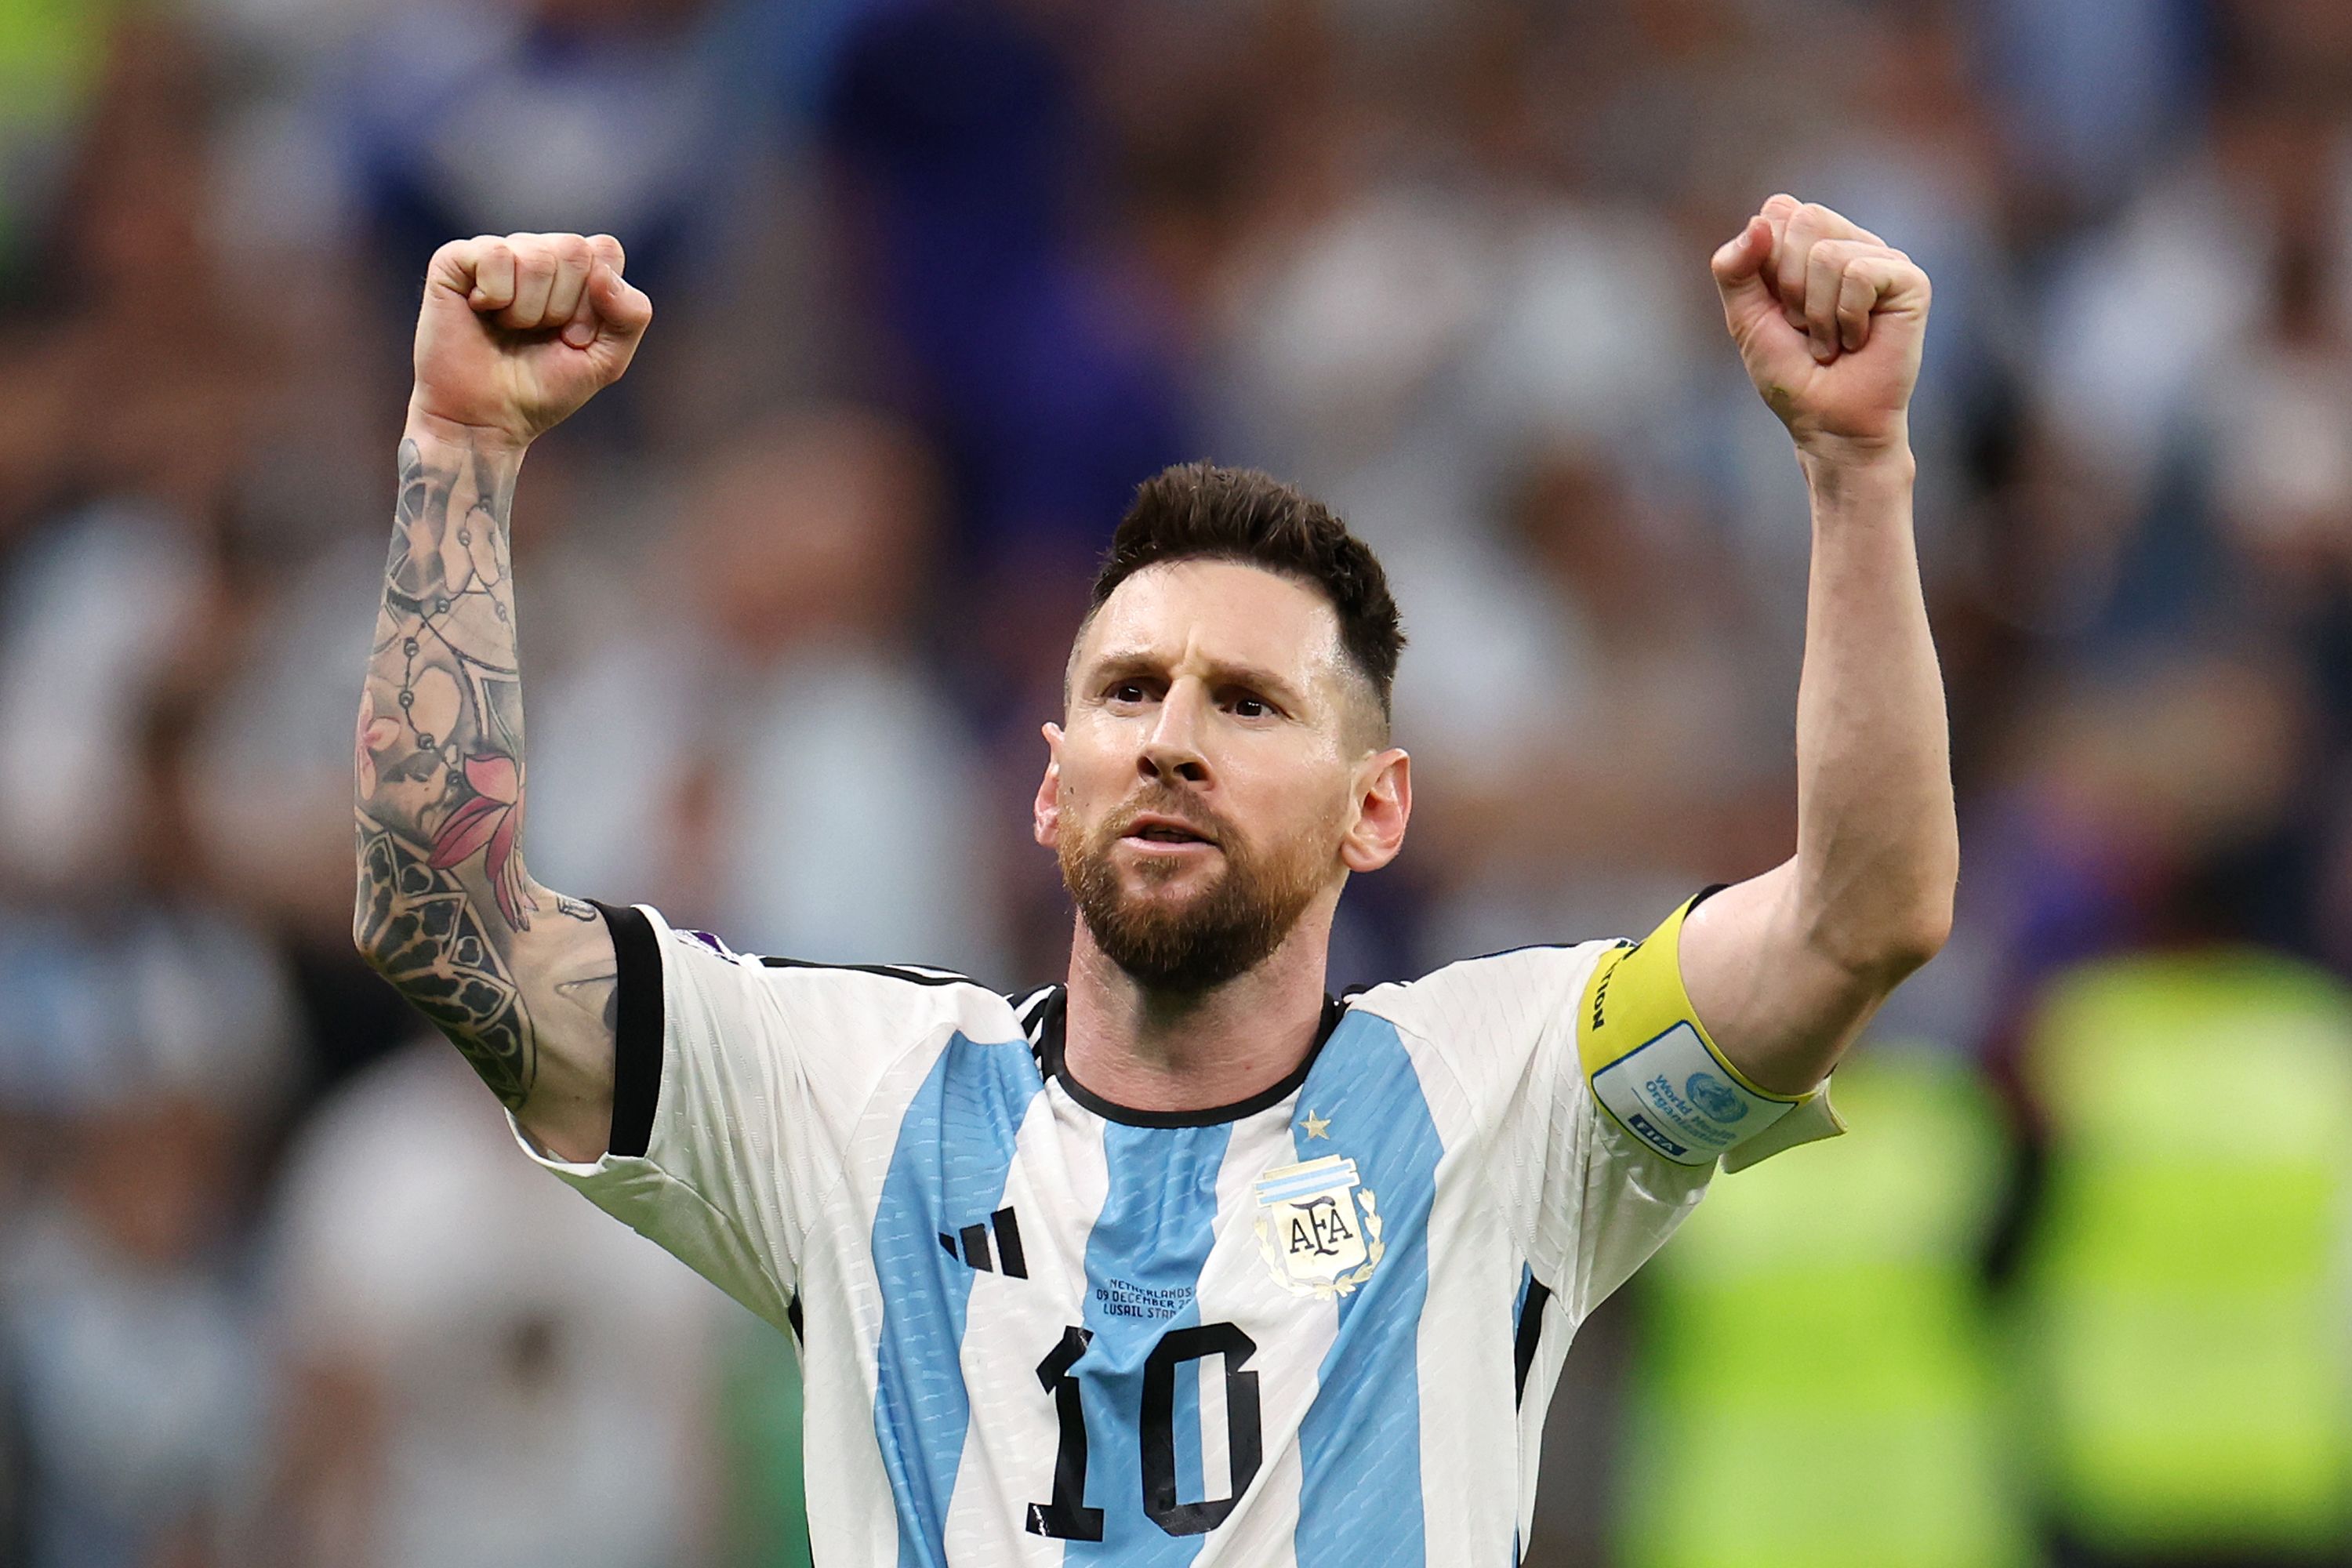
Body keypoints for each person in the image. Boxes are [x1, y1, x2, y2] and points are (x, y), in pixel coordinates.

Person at [350, 201, 1954, 1563]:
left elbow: (1857, 916)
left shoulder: (1514, 1088)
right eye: (1129, 693)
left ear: (1374, 812)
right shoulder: (842, 1097)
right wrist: (459, 450)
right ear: (1051, 785)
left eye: (1249, 705)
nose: (1173, 739)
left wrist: (1858, 469)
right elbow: (444, 924)